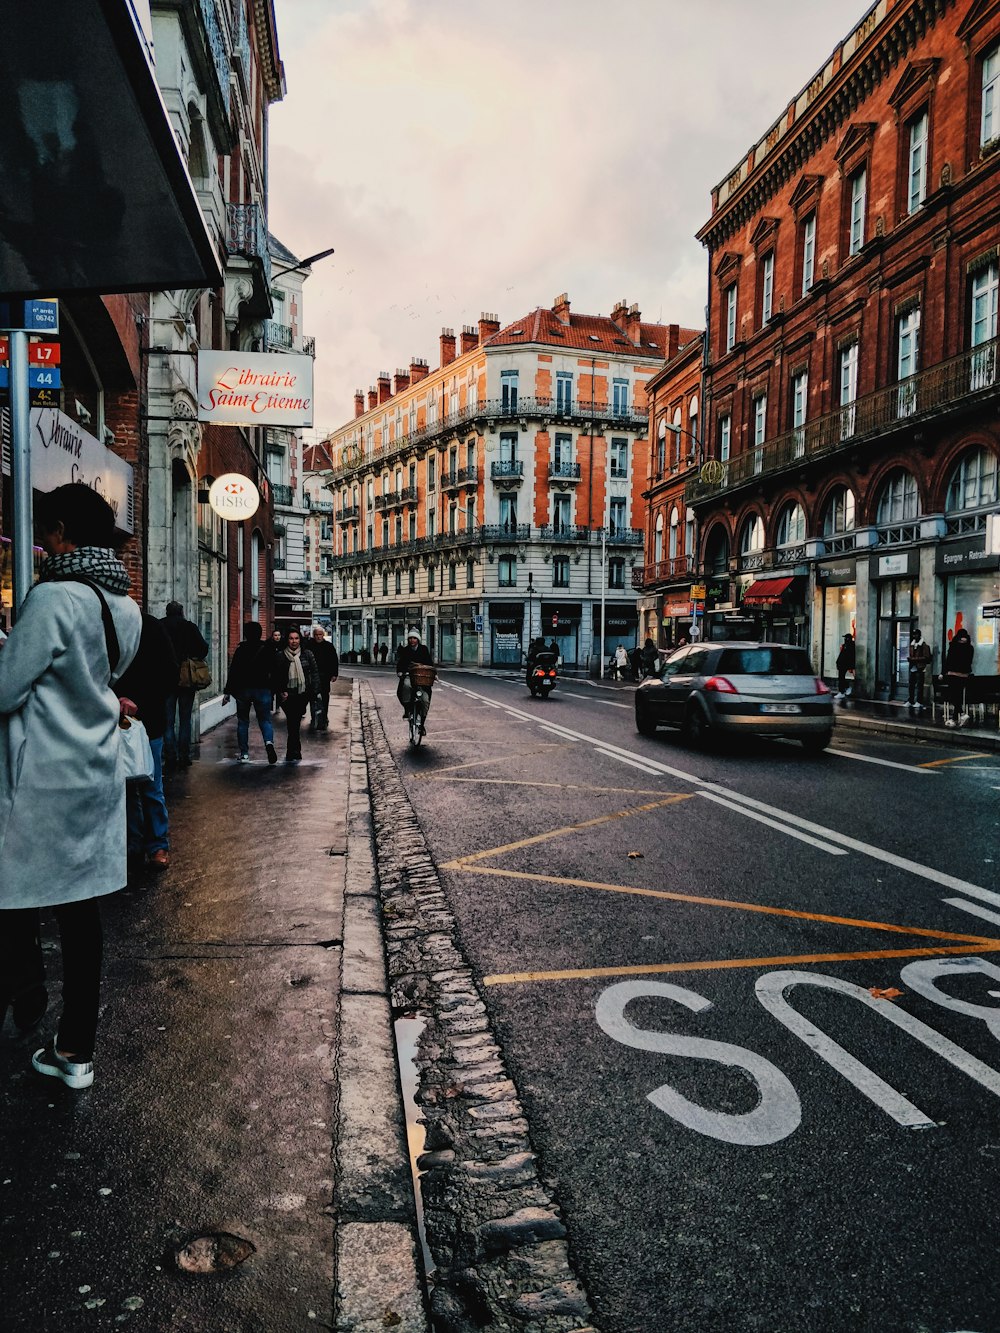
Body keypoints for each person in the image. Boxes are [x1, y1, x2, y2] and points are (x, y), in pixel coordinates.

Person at [0, 483, 141, 1090]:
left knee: (13, 895)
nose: (41, 541)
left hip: (41, 782)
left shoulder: (53, 597)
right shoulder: (124, 607)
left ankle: (27, 991)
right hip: (96, 777)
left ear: (60, 531)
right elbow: (102, 683)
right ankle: (75, 1050)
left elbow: (7, 690)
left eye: (46, 531)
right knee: (82, 920)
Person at [116, 612, 179, 870]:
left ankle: (157, 845)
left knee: (151, 785)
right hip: (114, 721)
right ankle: (134, 844)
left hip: (148, 721)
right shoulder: (103, 625)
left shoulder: (150, 627)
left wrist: (138, 702)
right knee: (126, 786)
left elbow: (169, 675)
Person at [222, 621, 278, 764]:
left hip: (243, 690)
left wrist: (227, 691)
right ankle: (269, 743)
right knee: (265, 720)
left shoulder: (241, 649)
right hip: (263, 689)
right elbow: (275, 669)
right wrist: (274, 689)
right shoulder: (267, 648)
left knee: (243, 721)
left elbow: (233, 671)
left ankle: (245, 754)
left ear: (246, 634)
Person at [161, 600, 209, 769]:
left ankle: (170, 755)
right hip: (187, 678)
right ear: (181, 612)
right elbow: (204, 648)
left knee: (167, 720)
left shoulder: (161, 626)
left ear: (167, 612)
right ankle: (184, 755)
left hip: (166, 678)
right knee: (185, 718)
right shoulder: (189, 626)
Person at [272, 628, 321, 762]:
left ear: (300, 640)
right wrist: (281, 691)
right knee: (292, 721)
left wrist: (315, 691)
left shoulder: (307, 654)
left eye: (296, 638)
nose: (294, 641)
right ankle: (294, 749)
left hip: (302, 693)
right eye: (291, 638)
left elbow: (314, 673)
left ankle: (293, 749)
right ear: (287, 640)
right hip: (286, 694)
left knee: (294, 721)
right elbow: (276, 676)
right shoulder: (281, 655)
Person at [396, 627, 433, 718]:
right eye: (410, 638)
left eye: (414, 638)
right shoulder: (405, 650)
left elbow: (429, 663)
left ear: (418, 639)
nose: (412, 640)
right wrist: (400, 672)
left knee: (425, 699)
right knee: (406, 686)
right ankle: (407, 709)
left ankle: (422, 724)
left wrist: (433, 674)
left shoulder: (424, 649)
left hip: (422, 678)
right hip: (409, 676)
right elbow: (400, 663)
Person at [309, 626, 340, 731]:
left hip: (325, 676)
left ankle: (324, 718)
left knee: (324, 697)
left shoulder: (328, 646)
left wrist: (334, 674)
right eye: (316, 635)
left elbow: (334, 660)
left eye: (320, 634)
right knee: (312, 698)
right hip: (312, 677)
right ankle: (314, 718)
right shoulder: (310, 646)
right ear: (314, 635)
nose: (318, 637)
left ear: (323, 635)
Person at [943, 627, 974, 727]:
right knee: (958, 695)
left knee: (953, 695)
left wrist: (944, 672)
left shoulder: (954, 646)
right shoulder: (969, 647)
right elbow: (969, 661)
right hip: (964, 675)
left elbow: (948, 660)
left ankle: (961, 714)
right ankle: (956, 718)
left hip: (953, 674)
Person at [907, 628, 932, 713]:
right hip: (913, 667)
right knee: (911, 684)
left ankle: (919, 701)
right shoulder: (912, 644)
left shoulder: (924, 646)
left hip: (920, 667)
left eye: (916, 634)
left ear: (919, 635)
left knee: (919, 685)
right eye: (913, 635)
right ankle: (910, 700)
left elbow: (926, 657)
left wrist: (914, 659)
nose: (914, 636)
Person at [835, 633, 856, 699]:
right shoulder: (845, 645)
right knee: (841, 677)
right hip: (842, 664)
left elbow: (850, 656)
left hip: (844, 664)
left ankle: (842, 691)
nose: (844, 639)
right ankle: (845, 688)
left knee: (841, 678)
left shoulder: (850, 646)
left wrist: (851, 666)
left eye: (846, 638)